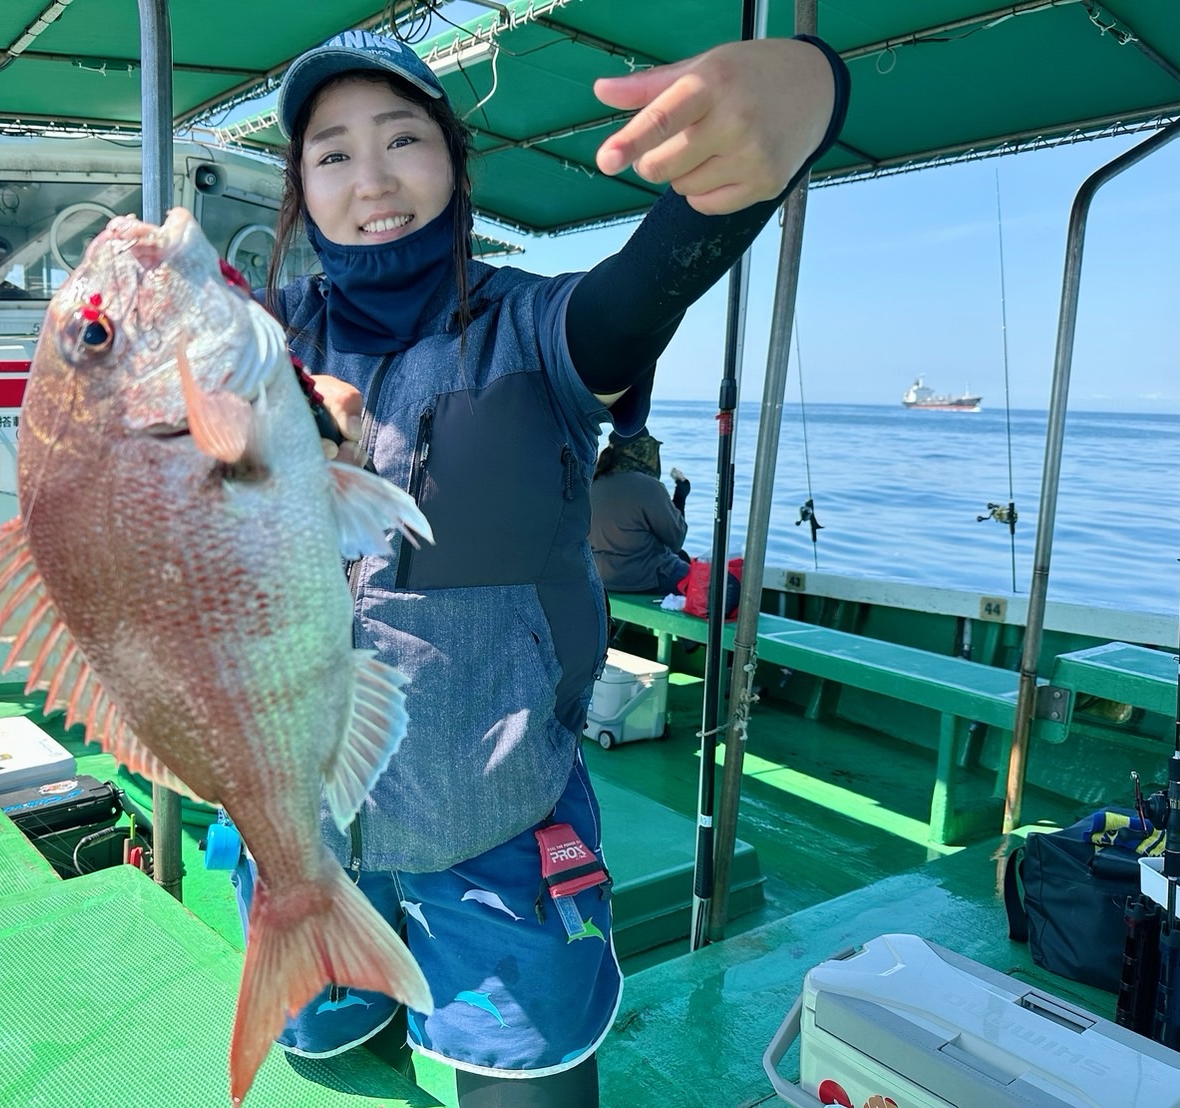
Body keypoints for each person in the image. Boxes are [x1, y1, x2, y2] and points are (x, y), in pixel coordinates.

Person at [232, 28, 848, 1106]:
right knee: (317, 1051)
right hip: (305, 830)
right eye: (330, 154)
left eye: (401, 140)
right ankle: (364, 987)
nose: (370, 179)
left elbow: (647, 284)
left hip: (495, 822)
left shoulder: (533, 327)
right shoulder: (264, 342)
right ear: (298, 186)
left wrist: (803, 91)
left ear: (455, 165)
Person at [588, 427, 692, 594]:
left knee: (682, 558)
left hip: (599, 576)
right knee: (700, 578)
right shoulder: (649, 486)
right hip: (642, 579)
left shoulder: (591, 483)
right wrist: (680, 496)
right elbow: (676, 541)